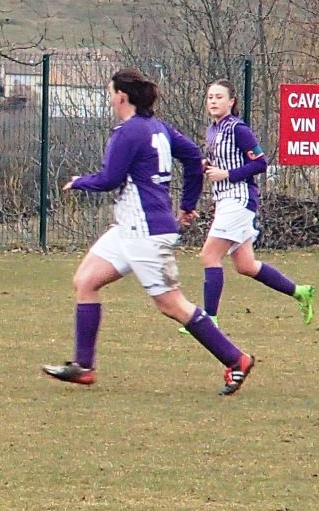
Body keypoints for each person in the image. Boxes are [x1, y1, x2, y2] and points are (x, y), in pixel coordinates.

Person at [42, 68, 257, 396]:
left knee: (172, 305)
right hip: (128, 229)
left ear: (121, 96)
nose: (109, 98)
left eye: (110, 92)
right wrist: (187, 203)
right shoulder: (157, 127)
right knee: (85, 281)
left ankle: (235, 358)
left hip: (146, 232)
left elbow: (109, 179)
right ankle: (83, 367)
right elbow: (193, 156)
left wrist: (79, 182)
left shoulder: (128, 132)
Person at [184, 78, 312, 330]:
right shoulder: (212, 130)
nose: (213, 101)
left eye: (219, 97)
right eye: (210, 97)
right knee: (245, 265)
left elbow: (260, 163)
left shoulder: (238, 129)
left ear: (231, 101)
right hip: (225, 200)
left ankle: (209, 320)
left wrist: (227, 174)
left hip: (239, 198)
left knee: (209, 255)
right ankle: (299, 291)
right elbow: (220, 162)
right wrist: (207, 166)